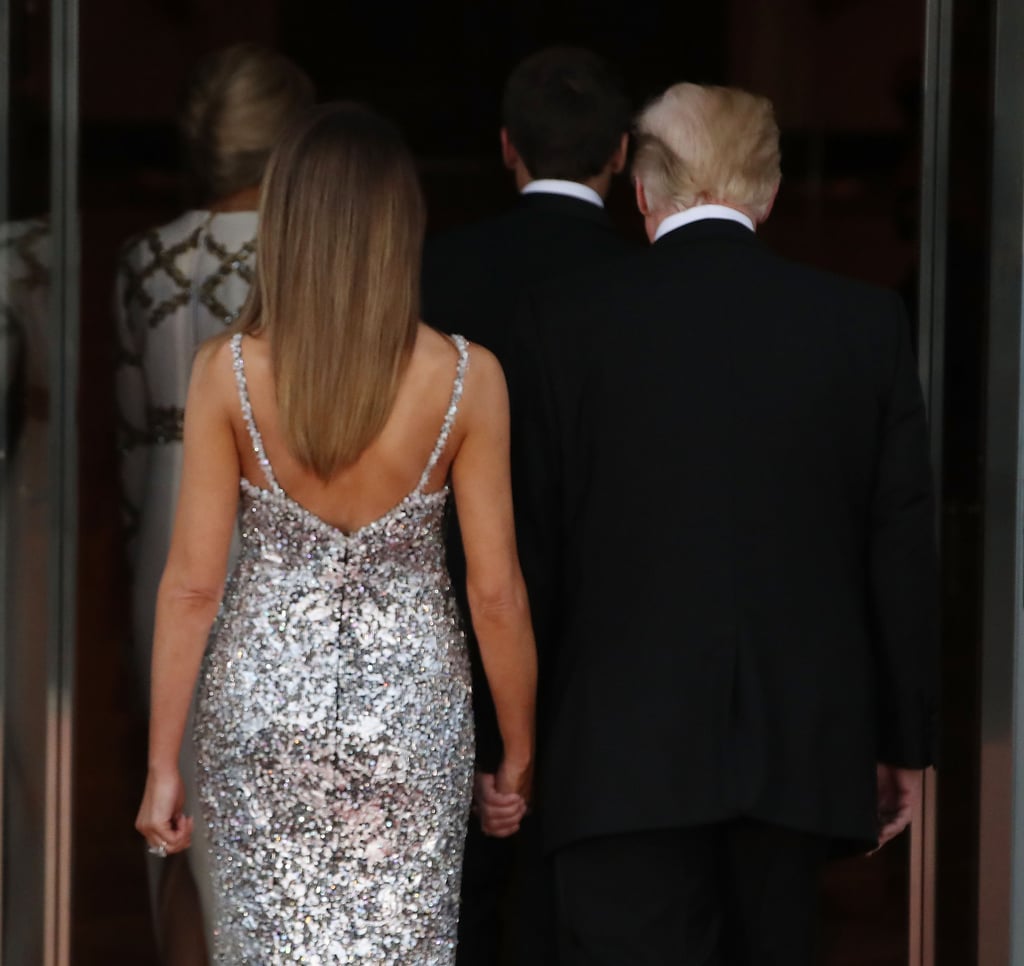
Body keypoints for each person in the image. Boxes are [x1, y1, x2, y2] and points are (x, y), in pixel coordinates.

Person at [513, 82, 939, 965]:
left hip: (616, 755)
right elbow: (900, 546)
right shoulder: (863, 325)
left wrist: (511, 740)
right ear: (769, 193)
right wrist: (904, 738)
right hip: (799, 752)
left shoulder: (565, 322)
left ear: (640, 191)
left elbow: (532, 550)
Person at [135, 102, 537, 964]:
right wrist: (520, 753)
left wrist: (161, 763)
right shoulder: (468, 379)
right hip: (410, 720)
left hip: (261, 714)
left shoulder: (228, 373)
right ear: (401, 229)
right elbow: (496, 594)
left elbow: (193, 586)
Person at [420, 45, 635, 966]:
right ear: (621, 154)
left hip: (448, 619)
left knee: (451, 906)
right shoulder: (648, 283)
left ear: (506, 147)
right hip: (611, 637)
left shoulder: (434, 269)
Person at [115, 44, 314, 962]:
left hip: (162, 517)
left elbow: (125, 438)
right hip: (269, 516)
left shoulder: (145, 257)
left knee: (184, 794)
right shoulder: (303, 254)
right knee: (276, 810)